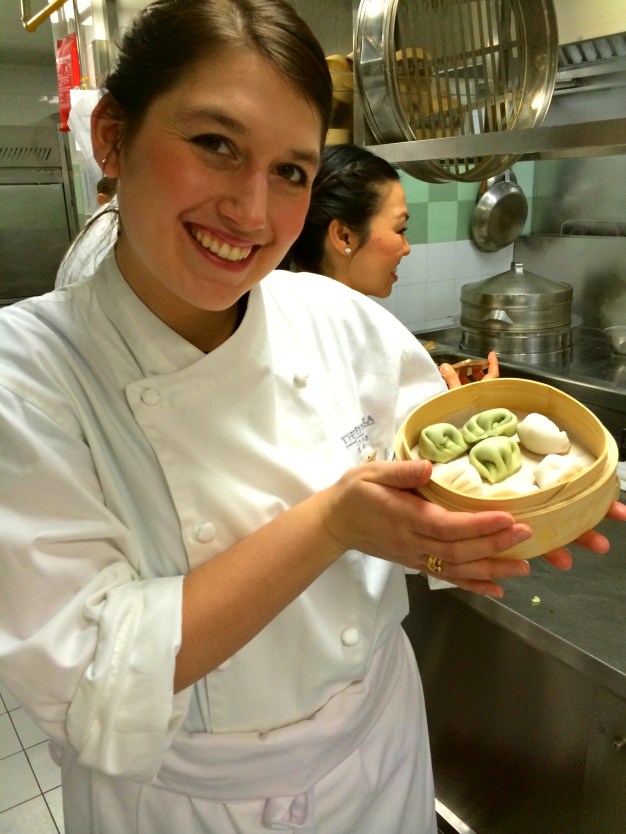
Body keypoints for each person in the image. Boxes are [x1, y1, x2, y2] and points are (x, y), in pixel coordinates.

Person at [0, 2, 623, 833]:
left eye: (291, 171)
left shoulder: (338, 317)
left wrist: (512, 522)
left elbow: (433, 493)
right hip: (182, 806)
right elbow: (92, 679)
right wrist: (333, 522)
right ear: (113, 136)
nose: (253, 214)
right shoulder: (30, 373)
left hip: (378, 762)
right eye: (215, 145)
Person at [287, 142, 498, 386]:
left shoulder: (292, 318)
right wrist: (462, 406)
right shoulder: (362, 345)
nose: (406, 248)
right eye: (400, 229)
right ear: (344, 236)